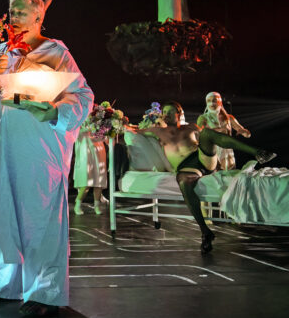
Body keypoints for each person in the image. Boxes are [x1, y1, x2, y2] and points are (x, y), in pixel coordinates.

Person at [0, 0, 94, 318]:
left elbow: (83, 96)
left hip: (37, 150)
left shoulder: (56, 52)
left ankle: (45, 292)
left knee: (38, 217)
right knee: (0, 213)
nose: (14, 17)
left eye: (21, 12)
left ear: (39, 16)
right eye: (11, 11)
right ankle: (7, 283)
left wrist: (55, 111)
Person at [139, 101, 275, 254]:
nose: (166, 115)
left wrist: (218, 166)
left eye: (170, 112)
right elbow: (133, 130)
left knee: (207, 133)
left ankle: (258, 152)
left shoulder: (190, 127)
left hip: (202, 158)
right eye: (164, 112)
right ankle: (205, 232)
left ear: (179, 114)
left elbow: (211, 140)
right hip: (187, 167)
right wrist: (121, 122)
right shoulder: (157, 131)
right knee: (183, 181)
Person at [196, 91, 251, 170]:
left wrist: (245, 132)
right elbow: (199, 135)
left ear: (220, 102)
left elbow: (246, 134)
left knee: (231, 173)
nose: (212, 103)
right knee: (217, 174)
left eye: (214, 100)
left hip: (228, 152)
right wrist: (220, 130)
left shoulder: (229, 118)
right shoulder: (203, 118)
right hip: (214, 153)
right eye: (209, 101)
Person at [73, 128, 108, 215]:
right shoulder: (80, 123)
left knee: (99, 182)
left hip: (99, 150)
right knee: (86, 182)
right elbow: (74, 133)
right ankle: (78, 205)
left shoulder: (100, 122)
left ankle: (97, 206)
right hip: (85, 150)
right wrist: (88, 128)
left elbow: (106, 137)